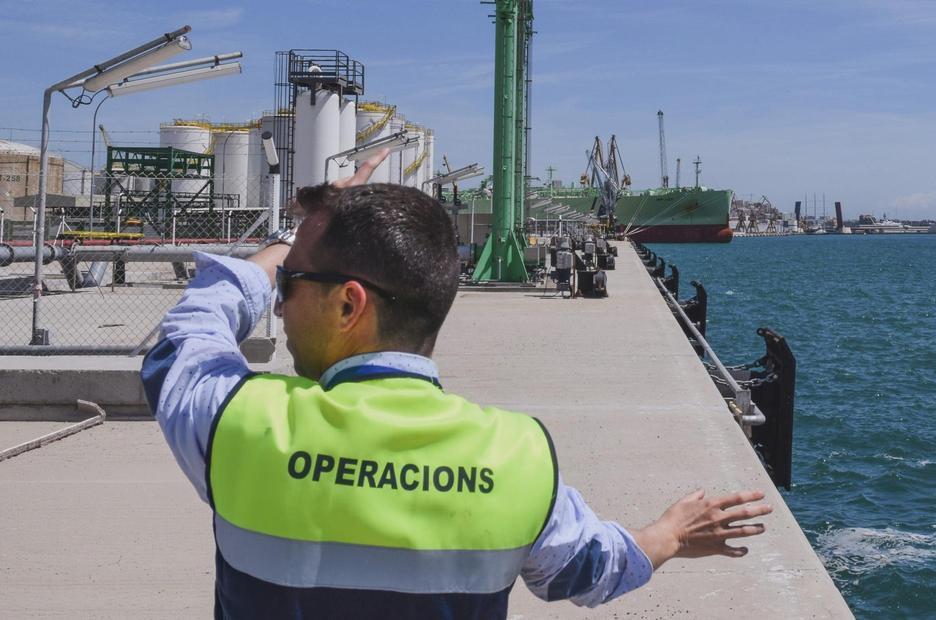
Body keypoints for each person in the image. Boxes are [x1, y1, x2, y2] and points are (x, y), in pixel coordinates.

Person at [142, 152, 771, 618]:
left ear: (347, 306)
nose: (280, 305)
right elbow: (589, 570)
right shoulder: (516, 456)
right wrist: (670, 535)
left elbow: (184, 336)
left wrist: (287, 242)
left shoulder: (240, 424)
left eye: (292, 285)